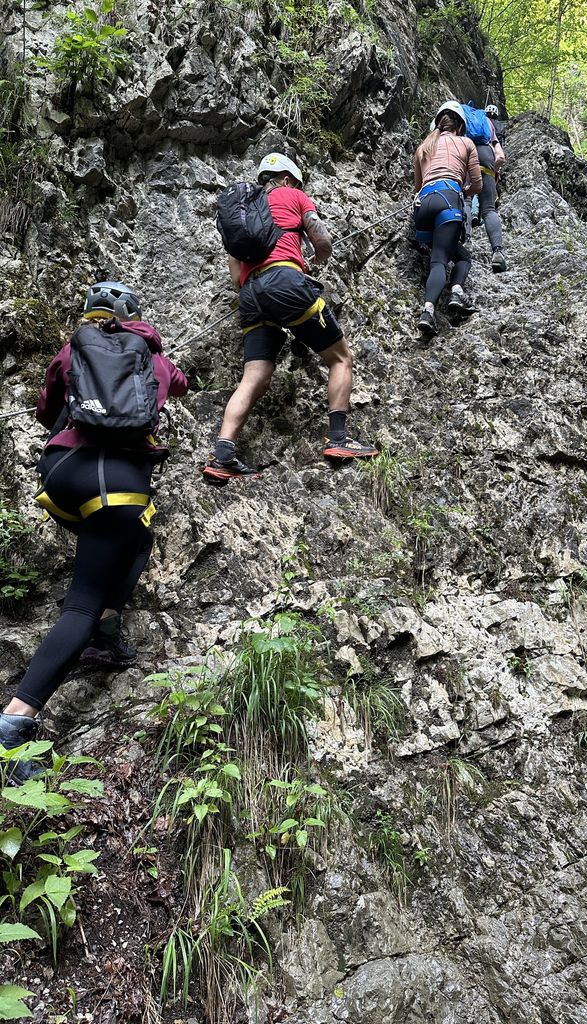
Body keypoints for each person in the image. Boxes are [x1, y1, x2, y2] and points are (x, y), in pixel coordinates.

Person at [0, 282, 188, 784]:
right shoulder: (152, 357)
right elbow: (180, 385)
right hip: (117, 480)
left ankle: (106, 631)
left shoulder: (72, 351)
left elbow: (46, 410)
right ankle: (15, 721)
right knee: (82, 601)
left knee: (137, 538)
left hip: (63, 474)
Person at [203, 153, 378, 483]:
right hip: (286, 281)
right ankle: (338, 439)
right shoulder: (293, 195)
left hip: (251, 296)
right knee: (341, 358)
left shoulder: (242, 212)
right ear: (286, 178)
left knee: (254, 377)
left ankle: (222, 456)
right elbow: (323, 241)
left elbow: (236, 278)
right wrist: (312, 262)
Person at [413, 101, 482, 338]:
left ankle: (440, 303)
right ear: (460, 125)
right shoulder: (466, 143)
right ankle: (443, 301)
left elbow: (418, 185)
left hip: (423, 206)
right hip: (448, 200)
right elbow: (478, 184)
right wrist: (463, 190)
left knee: (450, 254)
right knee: (445, 259)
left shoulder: (424, 146)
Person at [475, 106, 508, 272]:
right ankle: (497, 252)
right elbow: (500, 156)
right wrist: (494, 171)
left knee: (467, 199)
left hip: (468, 157)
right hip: (488, 157)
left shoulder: (472, 125)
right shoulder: (494, 127)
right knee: (489, 209)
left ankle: (466, 235)